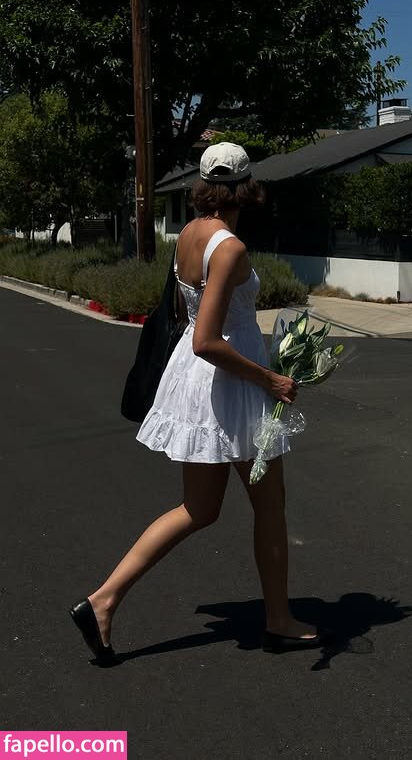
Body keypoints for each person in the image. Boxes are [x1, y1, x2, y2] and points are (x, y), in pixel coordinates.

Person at [69, 142, 326, 665]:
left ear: (204, 186)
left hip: (196, 382)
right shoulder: (229, 247)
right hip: (233, 386)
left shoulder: (189, 234)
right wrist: (271, 380)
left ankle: (103, 600)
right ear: (247, 187)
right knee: (270, 507)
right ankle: (278, 621)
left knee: (198, 509)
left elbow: (195, 327)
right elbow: (210, 339)